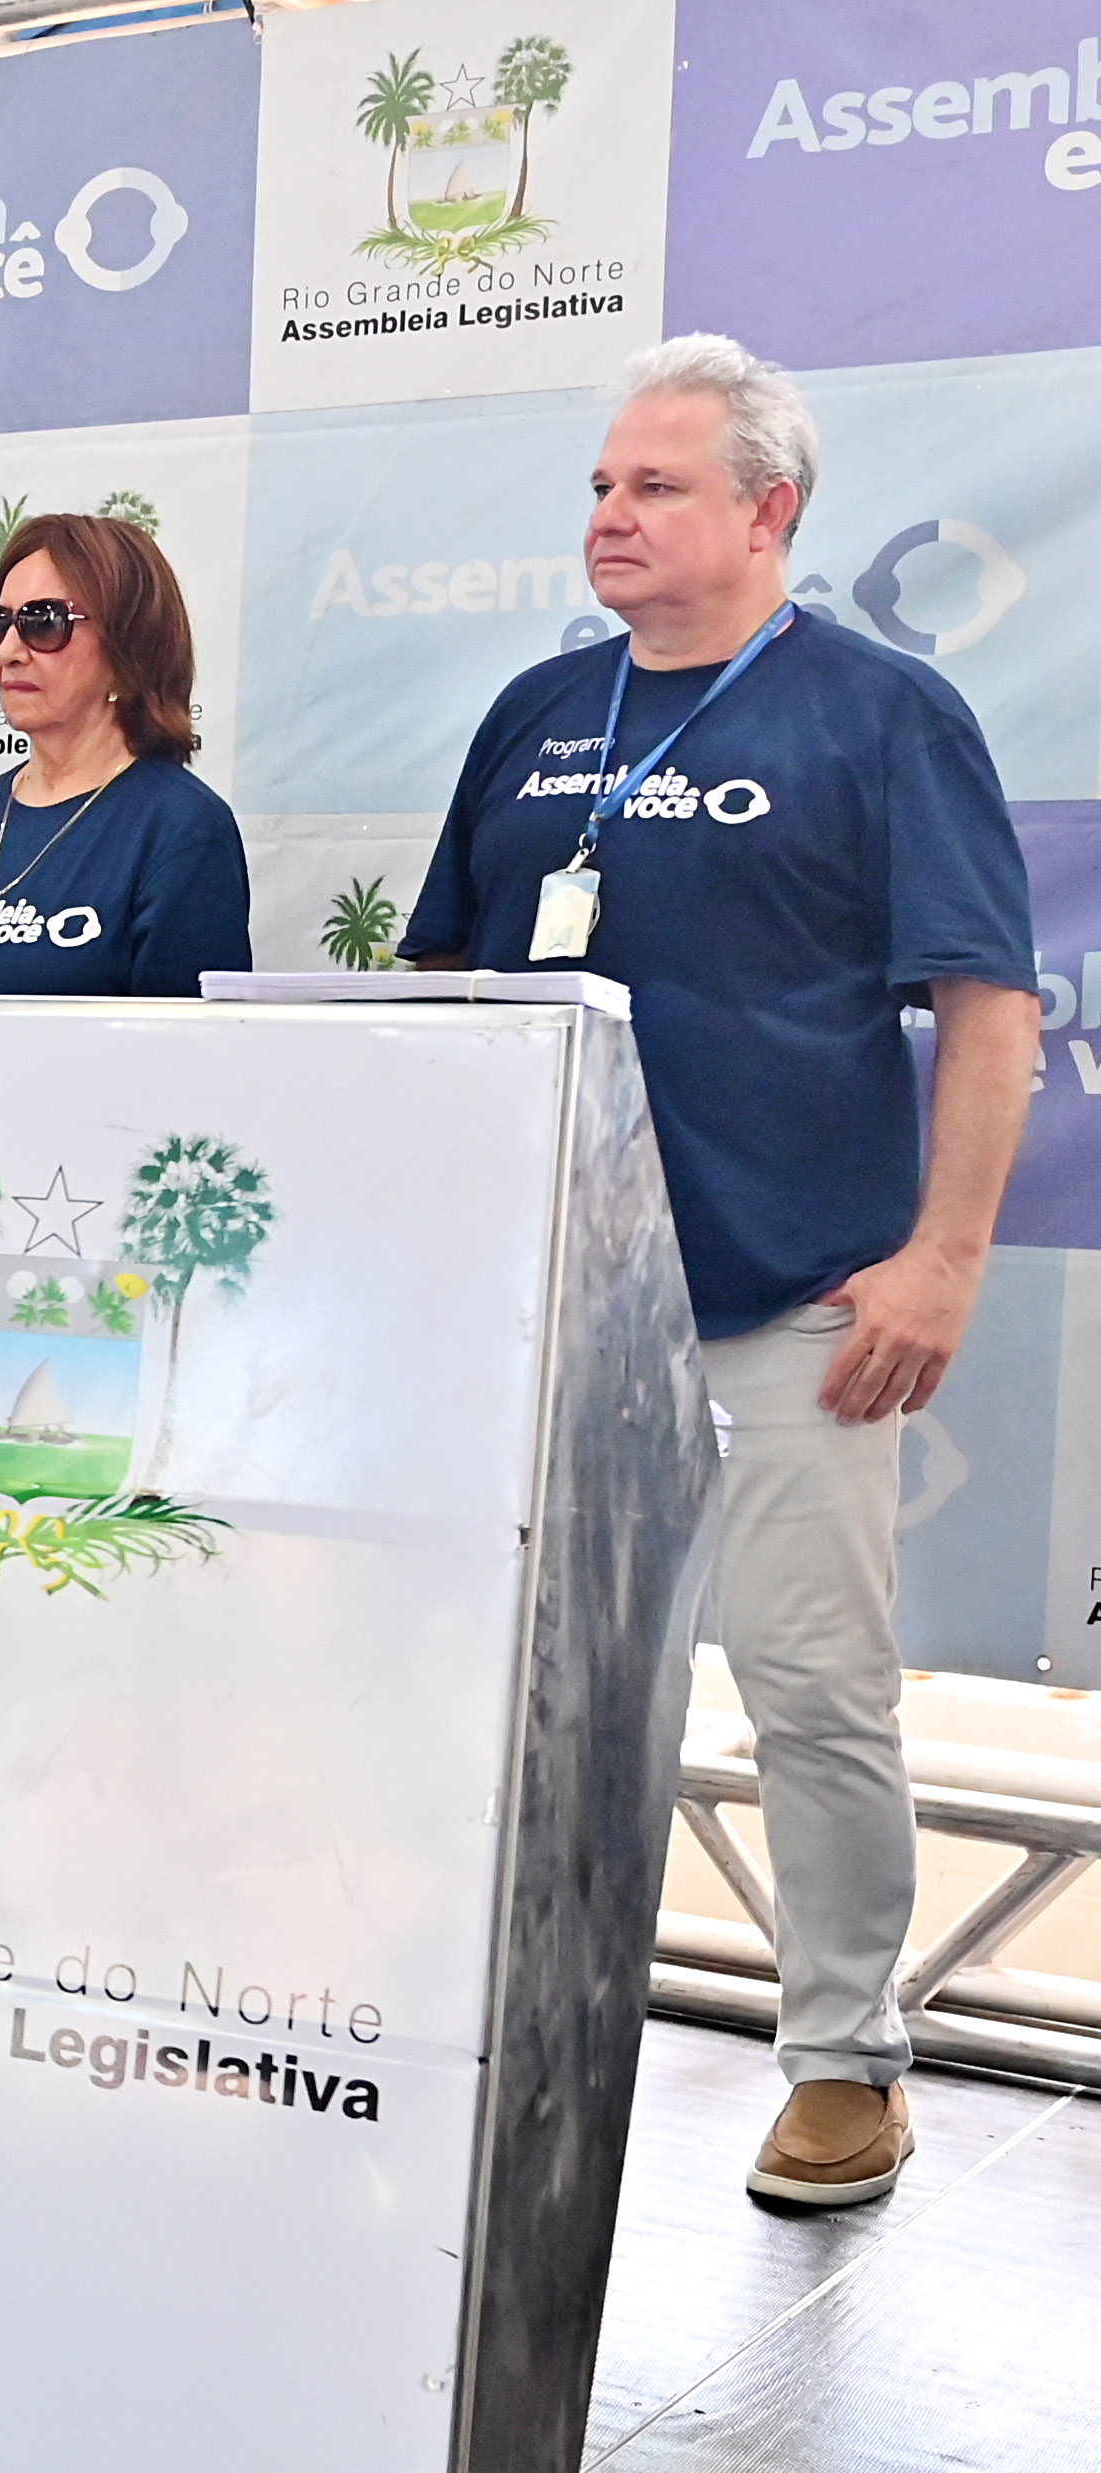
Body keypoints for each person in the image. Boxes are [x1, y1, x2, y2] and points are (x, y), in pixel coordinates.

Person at [402, 334, 1039, 2209]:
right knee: (530, 1690)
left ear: (770, 512)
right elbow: (443, 981)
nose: (610, 514)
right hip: (547, 1312)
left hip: (792, 1302)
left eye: (655, 485)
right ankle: (487, 2024)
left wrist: (943, 1257)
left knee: (815, 1690)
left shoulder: (881, 711)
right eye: (602, 484)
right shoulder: (535, 711)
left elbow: (988, 1005)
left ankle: (845, 2059)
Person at [0, 510, 246, 995]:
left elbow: (187, 1038)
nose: (7, 651)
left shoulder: (181, 827)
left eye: (43, 623)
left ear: (128, 649)